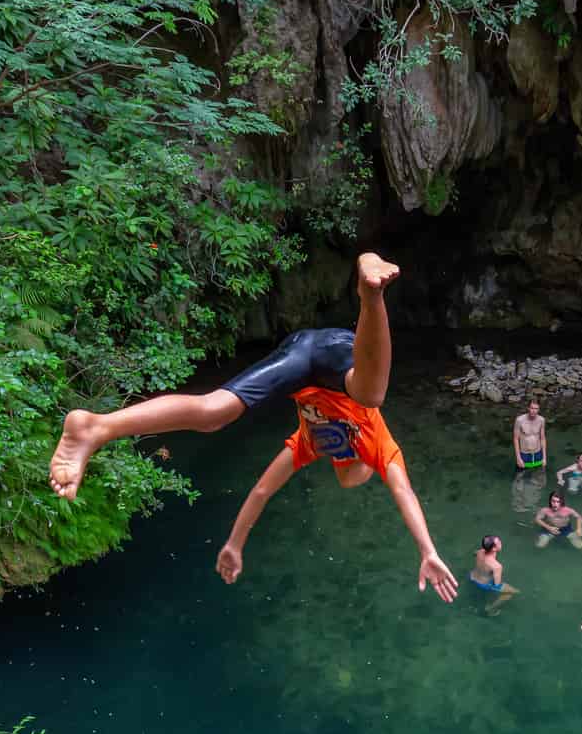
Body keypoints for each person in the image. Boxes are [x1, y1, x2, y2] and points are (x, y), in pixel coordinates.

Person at [46, 253, 460, 601]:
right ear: (363, 463)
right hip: (338, 357)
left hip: (300, 360)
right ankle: (369, 285)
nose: (343, 463)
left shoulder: (309, 446)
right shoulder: (380, 447)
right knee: (369, 394)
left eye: (342, 465)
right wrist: (427, 549)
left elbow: (262, 490)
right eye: (350, 466)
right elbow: (403, 491)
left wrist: (235, 544)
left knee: (213, 414)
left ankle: (95, 428)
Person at [469, 536, 518, 613]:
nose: (500, 542)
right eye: (498, 542)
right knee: (512, 592)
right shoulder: (497, 566)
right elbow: (496, 585)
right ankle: (491, 608)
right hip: (483, 584)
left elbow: (474, 553)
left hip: (472, 576)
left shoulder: (479, 552)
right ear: (494, 549)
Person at [513, 401, 548, 472]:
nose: (533, 411)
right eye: (532, 408)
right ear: (528, 408)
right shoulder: (520, 420)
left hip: (538, 453)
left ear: (539, 410)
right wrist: (518, 458)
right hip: (524, 453)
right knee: (520, 476)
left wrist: (544, 457)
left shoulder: (541, 420)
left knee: (539, 474)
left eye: (536, 408)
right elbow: (516, 439)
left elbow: (543, 438)